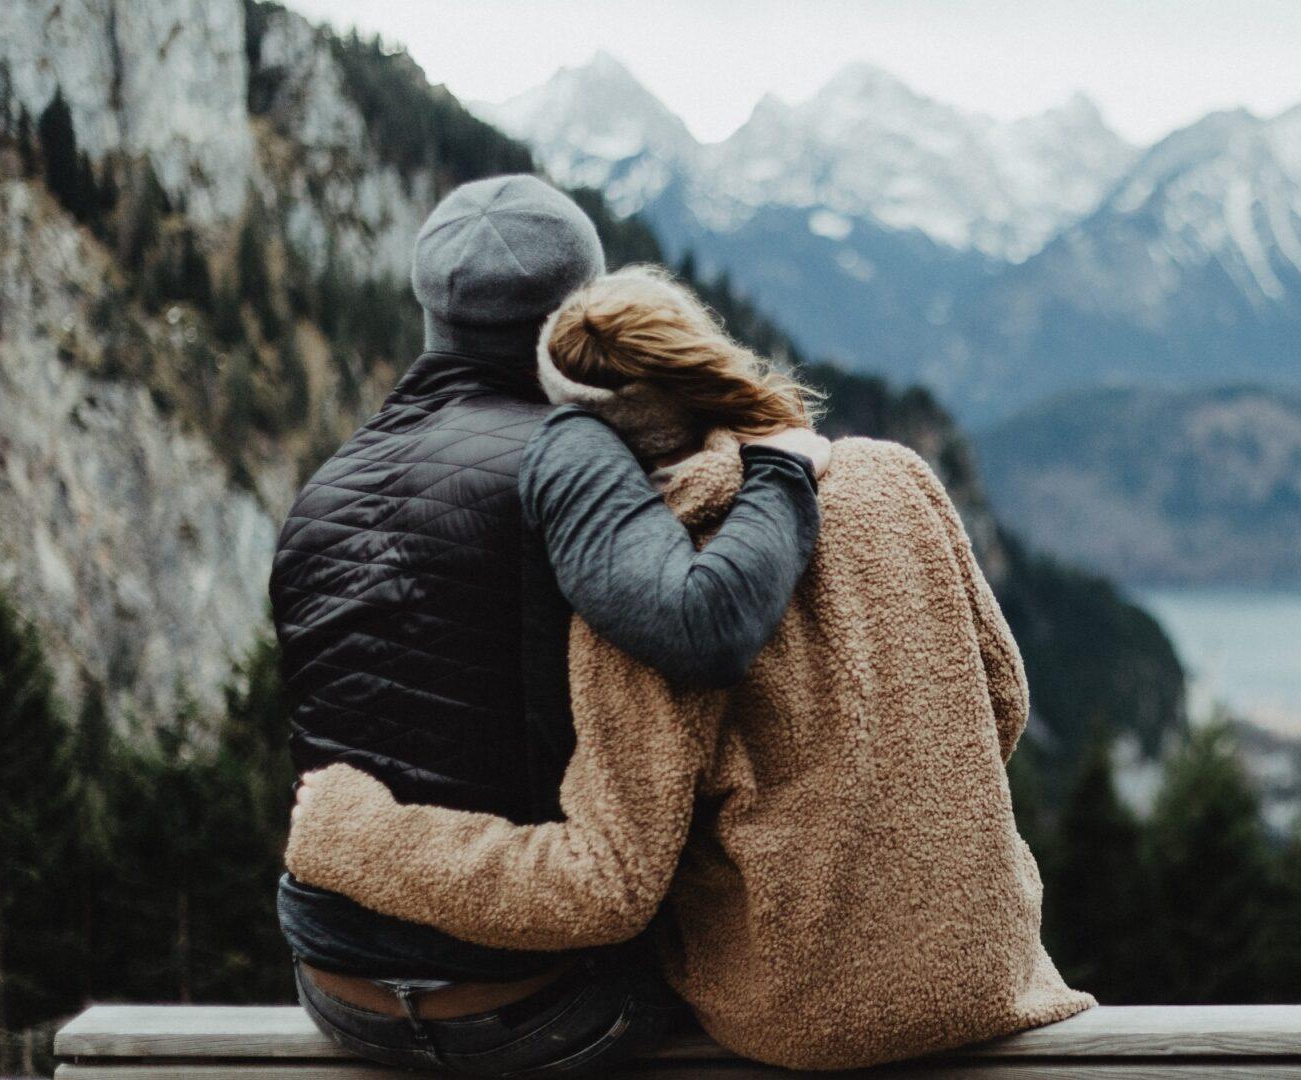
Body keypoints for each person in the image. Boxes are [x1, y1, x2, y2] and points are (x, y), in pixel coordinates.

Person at [285, 266, 1095, 1071]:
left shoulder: (651, 587)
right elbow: (1000, 700)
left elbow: (603, 887)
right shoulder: (893, 476)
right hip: (991, 972)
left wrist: (362, 833)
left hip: (801, 1015)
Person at [268, 178, 830, 1075]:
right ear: (580, 316)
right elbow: (705, 629)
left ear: (431, 312)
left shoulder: (324, 489)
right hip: (531, 999)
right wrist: (780, 475)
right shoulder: (566, 453)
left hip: (335, 986)